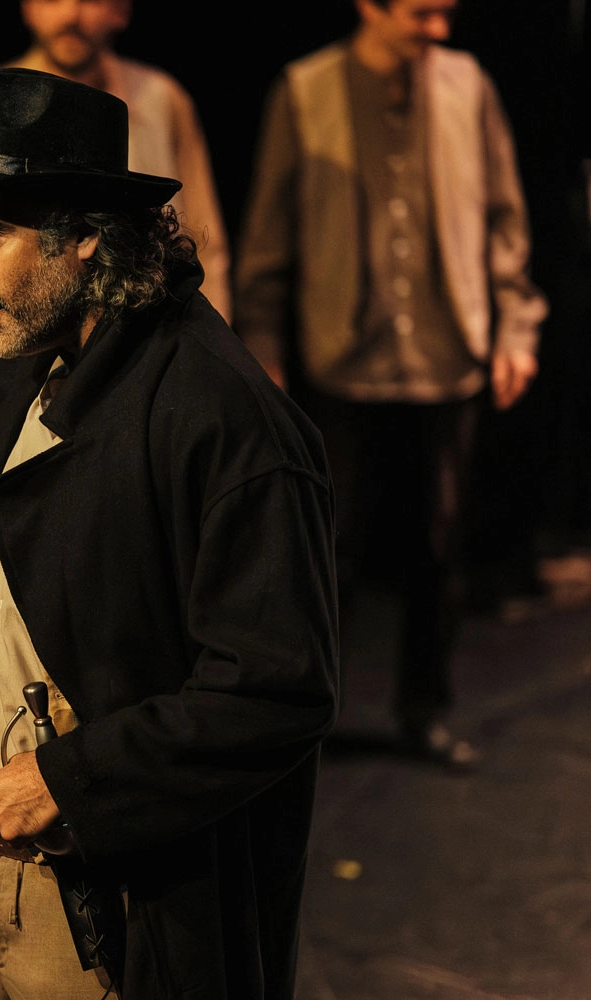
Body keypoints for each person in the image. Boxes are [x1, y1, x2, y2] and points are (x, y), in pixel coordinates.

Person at [0, 67, 339, 999]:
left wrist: (69, 781)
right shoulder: (13, 349)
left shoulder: (221, 419)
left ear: (85, 235)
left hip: (101, 903)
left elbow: (274, 687)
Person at [233, 0, 547, 768]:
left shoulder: (468, 84)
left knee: (441, 547)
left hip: (448, 356)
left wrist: (516, 330)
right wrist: (262, 346)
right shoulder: (305, 89)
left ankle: (424, 711)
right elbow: (269, 230)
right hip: (342, 360)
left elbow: (505, 218)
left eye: (446, 13)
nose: (439, 29)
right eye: (420, 13)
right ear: (368, 6)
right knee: (327, 550)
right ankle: (308, 719)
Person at [0, 0, 232, 320]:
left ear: (120, 10)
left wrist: (207, 335)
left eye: (91, 0)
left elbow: (205, 242)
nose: (70, 16)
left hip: (149, 329)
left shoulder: (163, 100)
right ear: (27, 7)